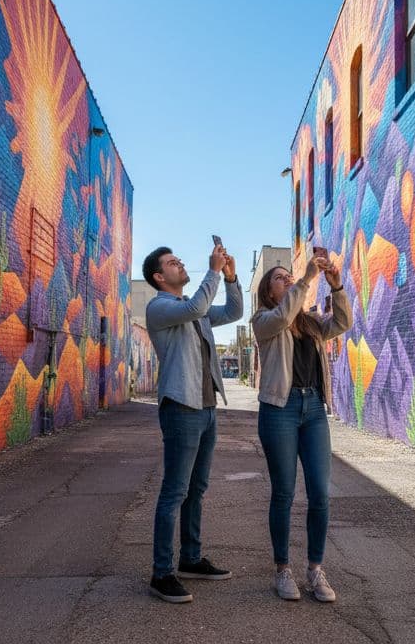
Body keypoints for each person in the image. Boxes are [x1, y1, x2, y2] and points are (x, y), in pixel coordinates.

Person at [143, 243, 243, 603]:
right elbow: (197, 305)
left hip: (206, 408)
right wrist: (213, 270)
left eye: (178, 260)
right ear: (159, 276)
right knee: (175, 491)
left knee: (196, 489)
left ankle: (190, 558)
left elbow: (234, 311)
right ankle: (161, 573)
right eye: (172, 262)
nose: (179, 263)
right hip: (181, 408)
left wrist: (231, 278)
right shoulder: (160, 307)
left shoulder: (192, 310)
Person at [251, 250, 351, 602]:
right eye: (280, 278)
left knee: (321, 494)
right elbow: (281, 319)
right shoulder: (263, 320)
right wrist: (307, 278)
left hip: (314, 410)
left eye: (287, 276)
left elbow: (341, 324)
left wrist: (336, 285)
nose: (287, 279)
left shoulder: (309, 322)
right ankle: (282, 570)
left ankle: (315, 570)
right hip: (280, 408)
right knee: (284, 492)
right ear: (268, 291)